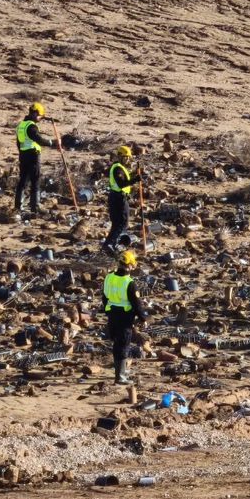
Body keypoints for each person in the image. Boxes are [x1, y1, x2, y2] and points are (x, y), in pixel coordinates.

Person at [103, 249, 145, 384]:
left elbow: (104, 297)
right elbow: (136, 303)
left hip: (112, 315)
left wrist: (107, 312)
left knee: (117, 343)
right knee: (122, 345)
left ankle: (121, 371)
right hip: (124, 317)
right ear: (131, 265)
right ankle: (120, 377)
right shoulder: (129, 283)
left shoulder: (109, 277)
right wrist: (143, 318)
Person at [13, 103, 53, 215]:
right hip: (33, 156)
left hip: (23, 155)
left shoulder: (21, 125)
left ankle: (18, 206)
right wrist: (52, 142)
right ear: (35, 114)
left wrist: (22, 153)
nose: (40, 118)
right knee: (35, 181)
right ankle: (35, 206)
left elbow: (18, 142)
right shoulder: (31, 126)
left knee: (23, 181)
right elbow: (39, 140)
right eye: (40, 116)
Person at [104, 145, 140, 253]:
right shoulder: (118, 168)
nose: (128, 160)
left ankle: (109, 245)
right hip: (118, 198)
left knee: (117, 223)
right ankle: (111, 244)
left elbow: (125, 179)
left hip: (116, 197)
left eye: (128, 158)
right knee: (122, 223)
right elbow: (121, 183)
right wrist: (135, 180)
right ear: (121, 157)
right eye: (126, 157)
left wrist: (135, 174)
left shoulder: (118, 167)